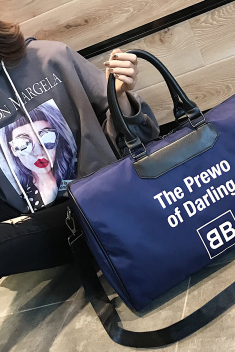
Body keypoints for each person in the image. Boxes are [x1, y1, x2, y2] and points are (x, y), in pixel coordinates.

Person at [0, 20, 159, 276]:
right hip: (36, 222)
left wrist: (119, 96)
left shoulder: (52, 57)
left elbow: (141, 137)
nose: (37, 150)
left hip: (98, 198)